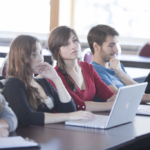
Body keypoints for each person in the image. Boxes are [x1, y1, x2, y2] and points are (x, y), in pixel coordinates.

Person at [2, 35, 94, 128]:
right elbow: (27, 117)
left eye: (40, 52)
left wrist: (56, 79)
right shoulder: (14, 84)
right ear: (22, 58)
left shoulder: (43, 82)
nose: (41, 59)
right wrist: (68, 116)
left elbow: (70, 110)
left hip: (49, 135)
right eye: (34, 55)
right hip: (29, 138)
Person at [47, 26, 116, 112]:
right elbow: (78, 106)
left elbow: (108, 95)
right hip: (64, 123)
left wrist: (123, 102)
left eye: (75, 40)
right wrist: (115, 105)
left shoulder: (88, 67)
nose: (74, 46)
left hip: (87, 120)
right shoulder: (55, 76)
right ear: (56, 51)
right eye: (66, 44)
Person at [87, 24, 150, 103]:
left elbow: (140, 91)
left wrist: (120, 73)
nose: (116, 50)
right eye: (111, 45)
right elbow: (117, 96)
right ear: (96, 46)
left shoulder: (117, 66)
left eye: (116, 44)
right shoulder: (94, 70)